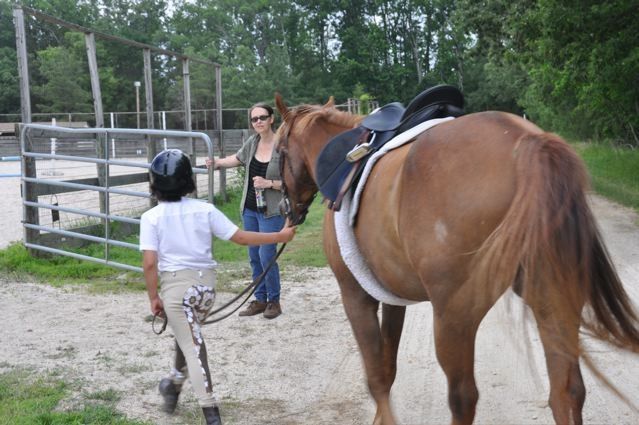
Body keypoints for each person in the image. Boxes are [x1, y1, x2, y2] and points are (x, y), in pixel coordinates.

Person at [140, 149, 295, 425]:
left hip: (177, 290)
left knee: (193, 346)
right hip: (206, 291)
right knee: (189, 335)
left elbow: (150, 264)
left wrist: (154, 296)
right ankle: (173, 384)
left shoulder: (151, 217)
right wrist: (279, 235)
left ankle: (211, 414)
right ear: (188, 181)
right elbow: (241, 238)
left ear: (155, 185)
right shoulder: (205, 210)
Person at [206, 103, 286, 319]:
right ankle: (260, 299)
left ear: (271, 119)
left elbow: (291, 182)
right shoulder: (253, 142)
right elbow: (238, 158)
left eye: (262, 117)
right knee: (253, 255)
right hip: (250, 209)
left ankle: (274, 301)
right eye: (254, 119)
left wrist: (269, 183)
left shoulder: (283, 146)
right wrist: (217, 163)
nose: (258, 122)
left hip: (272, 211)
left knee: (266, 253)